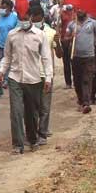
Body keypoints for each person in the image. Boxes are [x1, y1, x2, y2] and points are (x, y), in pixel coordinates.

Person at [0, 4, 53, 154]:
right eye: (20, 18)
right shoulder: (12, 35)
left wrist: (48, 78)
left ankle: (32, 139)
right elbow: (7, 57)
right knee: (16, 111)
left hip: (34, 79)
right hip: (15, 77)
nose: (23, 21)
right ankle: (18, 144)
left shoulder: (40, 36)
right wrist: (2, 71)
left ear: (30, 17)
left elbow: (46, 58)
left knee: (31, 113)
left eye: (25, 18)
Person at [68, 10, 96, 114]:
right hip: (75, 57)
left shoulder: (94, 24)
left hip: (89, 57)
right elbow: (65, 38)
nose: (80, 11)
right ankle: (80, 100)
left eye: (82, 9)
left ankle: (86, 103)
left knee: (87, 80)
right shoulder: (72, 25)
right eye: (78, 9)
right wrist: (71, 36)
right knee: (77, 80)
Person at [37, 11, 59, 145]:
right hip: (31, 75)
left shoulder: (51, 32)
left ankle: (42, 133)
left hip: (46, 74)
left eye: (37, 18)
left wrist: (59, 42)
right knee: (32, 106)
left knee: (45, 106)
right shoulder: (24, 32)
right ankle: (33, 131)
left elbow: (60, 54)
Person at [58, 4, 76, 88]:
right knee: (66, 62)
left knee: (74, 62)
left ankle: (76, 81)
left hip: (74, 40)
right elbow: (58, 25)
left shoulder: (75, 13)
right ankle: (68, 83)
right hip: (64, 40)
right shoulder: (62, 13)